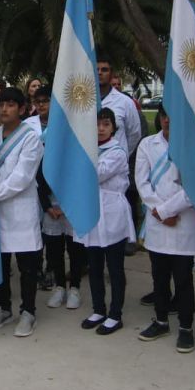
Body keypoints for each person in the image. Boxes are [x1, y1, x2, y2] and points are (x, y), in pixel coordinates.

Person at [135, 104, 195, 352]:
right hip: (157, 220)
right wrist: (160, 212)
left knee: (183, 279)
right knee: (159, 277)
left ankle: (186, 327)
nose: (167, 121)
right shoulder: (147, 145)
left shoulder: (193, 145)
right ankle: (161, 320)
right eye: (164, 116)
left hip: (184, 219)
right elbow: (142, 182)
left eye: (173, 117)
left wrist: (168, 211)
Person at [0, 87, 45, 337]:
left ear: (21, 108)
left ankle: (28, 312)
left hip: (20, 209)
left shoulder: (31, 137)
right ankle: (4, 307)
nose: (4, 109)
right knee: (0, 263)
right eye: (0, 105)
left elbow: (22, 177)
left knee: (27, 265)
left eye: (10, 105)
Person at [76, 108, 134, 335]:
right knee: (94, 265)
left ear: (113, 128)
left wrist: (80, 159)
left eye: (106, 124)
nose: (100, 129)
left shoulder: (117, 151)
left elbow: (96, 173)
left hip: (112, 213)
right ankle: (98, 309)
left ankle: (115, 313)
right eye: (97, 124)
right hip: (92, 212)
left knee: (115, 267)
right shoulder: (88, 149)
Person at [28, 87, 82, 311]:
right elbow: (38, 175)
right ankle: (60, 285)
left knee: (75, 247)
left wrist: (70, 204)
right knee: (54, 248)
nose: (42, 105)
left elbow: (78, 174)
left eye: (46, 101)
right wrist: (48, 206)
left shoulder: (72, 135)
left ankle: (75, 287)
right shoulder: (39, 137)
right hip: (51, 204)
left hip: (71, 202)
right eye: (37, 101)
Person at [97, 57, 141, 156]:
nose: (99, 73)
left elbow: (135, 134)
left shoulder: (125, 102)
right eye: (96, 70)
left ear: (111, 74)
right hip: (87, 165)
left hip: (116, 165)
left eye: (104, 70)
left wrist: (123, 154)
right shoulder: (81, 101)